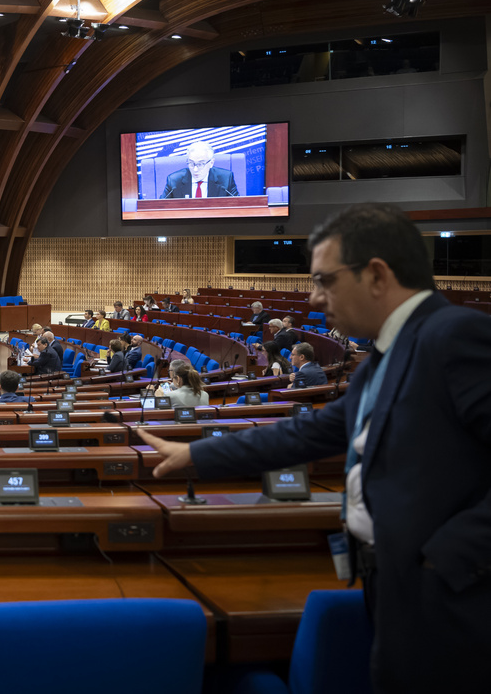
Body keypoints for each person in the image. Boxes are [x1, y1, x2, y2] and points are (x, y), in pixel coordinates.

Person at [139, 203, 491, 691]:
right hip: (387, 581)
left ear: (376, 274)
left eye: (325, 280)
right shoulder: (381, 358)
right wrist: (196, 454)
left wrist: (446, 558)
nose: (314, 298)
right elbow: (308, 434)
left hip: (447, 593)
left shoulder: (456, 337)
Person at [158, 139, 239, 199]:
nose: (195, 169)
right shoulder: (174, 181)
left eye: (200, 164)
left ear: (211, 163)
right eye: (191, 163)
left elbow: (238, 206)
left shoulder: (225, 179)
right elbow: (161, 207)